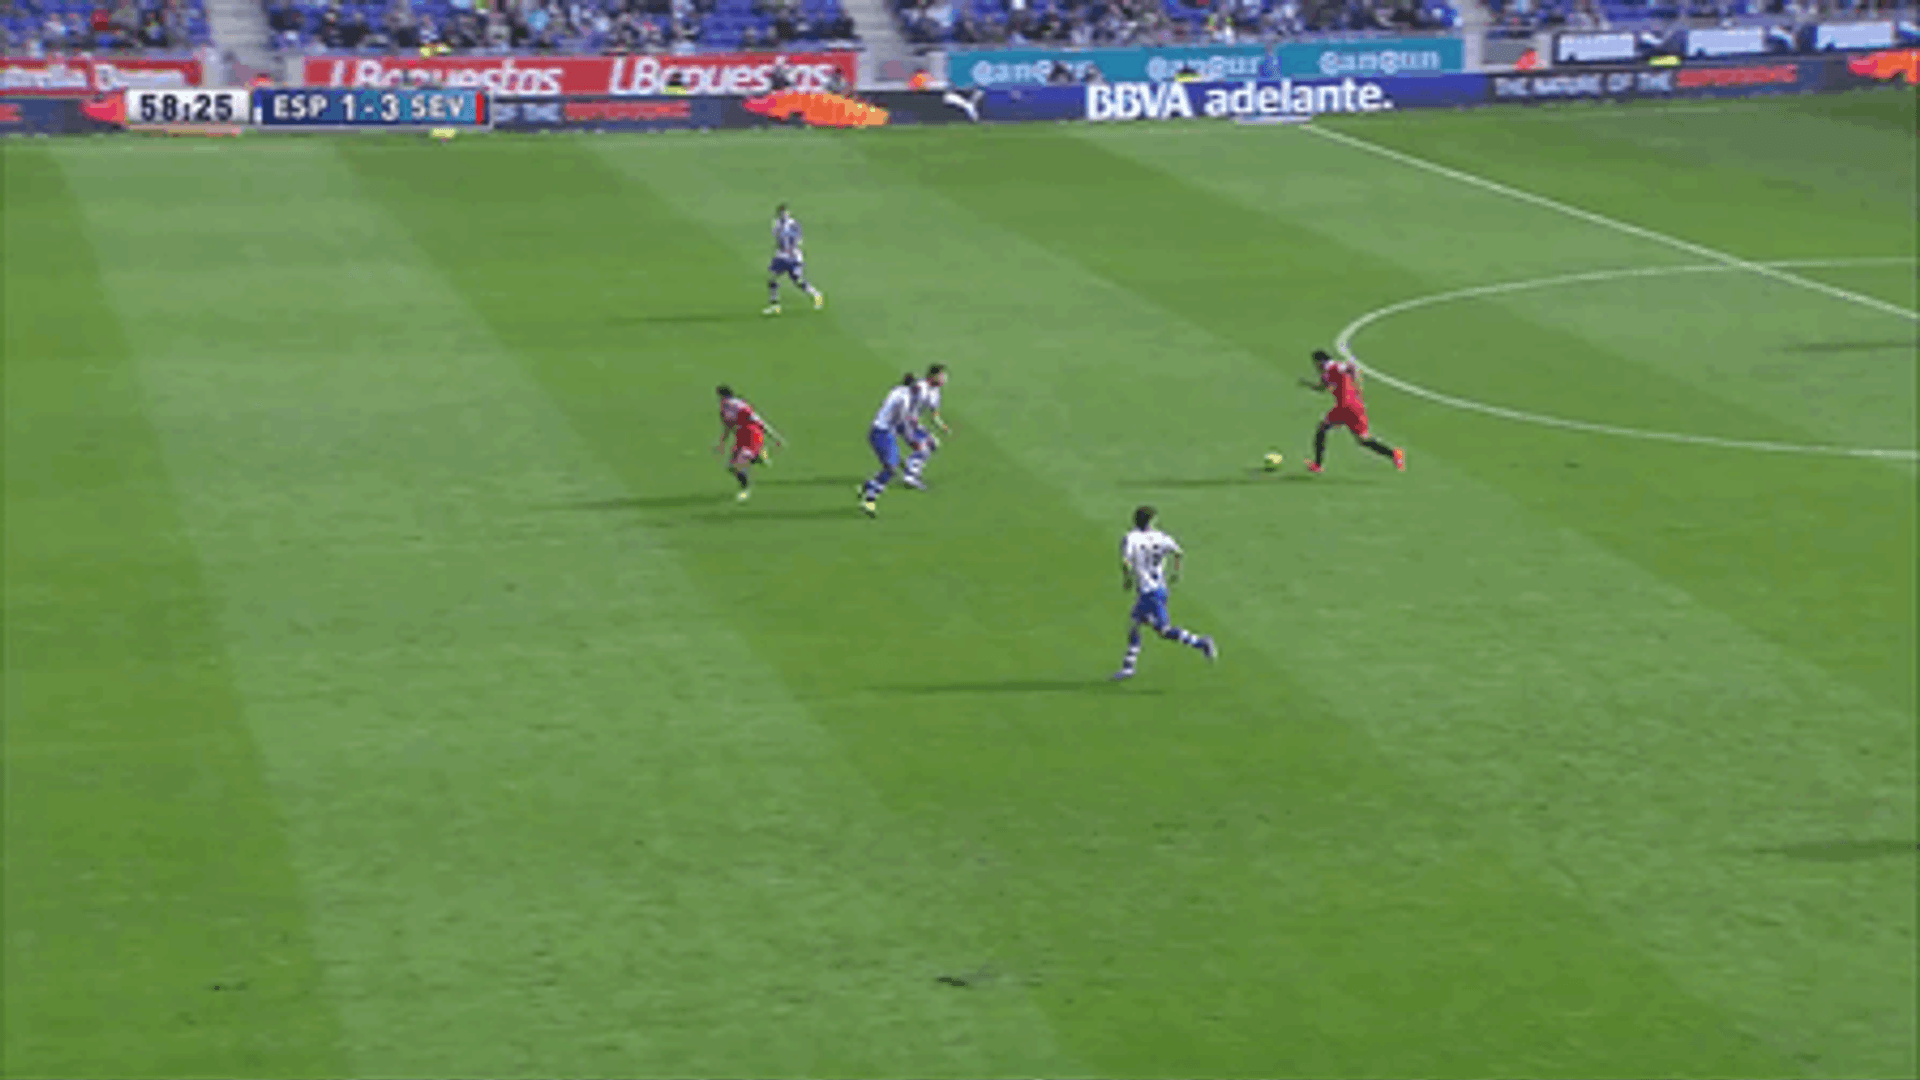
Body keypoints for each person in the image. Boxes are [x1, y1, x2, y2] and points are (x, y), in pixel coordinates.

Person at [1114, 506, 1217, 680]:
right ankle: (1128, 667)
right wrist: (1176, 572)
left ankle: (1201, 643)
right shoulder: (1161, 537)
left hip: (1149, 592)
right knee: (1135, 624)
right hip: (1159, 588)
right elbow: (1178, 553)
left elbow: (1126, 562)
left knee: (1162, 630)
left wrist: (1127, 579)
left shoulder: (1131, 538)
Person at [1300, 348, 1405, 474]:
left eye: (1315, 363)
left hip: (1345, 406)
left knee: (1321, 429)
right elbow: (1323, 388)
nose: (1315, 367)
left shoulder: (1333, 366)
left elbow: (1350, 367)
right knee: (1363, 440)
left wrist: (1356, 382)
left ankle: (1317, 465)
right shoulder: (1326, 374)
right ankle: (1394, 454)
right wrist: (1308, 384)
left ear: (1320, 361)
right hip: (1355, 406)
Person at [859, 374, 920, 516]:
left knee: (892, 466)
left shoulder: (898, 391)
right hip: (882, 433)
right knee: (891, 468)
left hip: (882, 432)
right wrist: (911, 441)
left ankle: (869, 486)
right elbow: (902, 423)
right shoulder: (904, 399)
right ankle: (869, 499)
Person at [714, 385, 783, 500]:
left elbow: (758, 421)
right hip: (741, 438)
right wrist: (721, 444)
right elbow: (727, 427)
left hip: (753, 435)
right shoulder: (723, 409)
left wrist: (774, 436)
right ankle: (758, 456)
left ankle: (745, 490)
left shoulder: (740, 406)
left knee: (740, 463)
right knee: (730, 467)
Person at [764, 203, 824, 316]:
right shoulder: (777, 224)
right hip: (781, 256)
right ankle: (775, 306)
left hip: (793, 257)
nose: (784, 215)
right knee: (772, 279)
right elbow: (779, 240)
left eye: (785, 213)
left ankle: (816, 295)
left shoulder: (793, 224)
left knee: (798, 281)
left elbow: (797, 240)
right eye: (782, 213)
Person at [903, 363, 949, 488]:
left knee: (933, 444)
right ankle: (910, 475)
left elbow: (934, 415)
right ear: (933, 376)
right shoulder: (920, 386)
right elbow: (905, 392)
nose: (944, 379)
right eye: (941, 375)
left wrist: (942, 426)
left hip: (913, 423)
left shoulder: (936, 393)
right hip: (903, 421)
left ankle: (911, 467)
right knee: (924, 447)